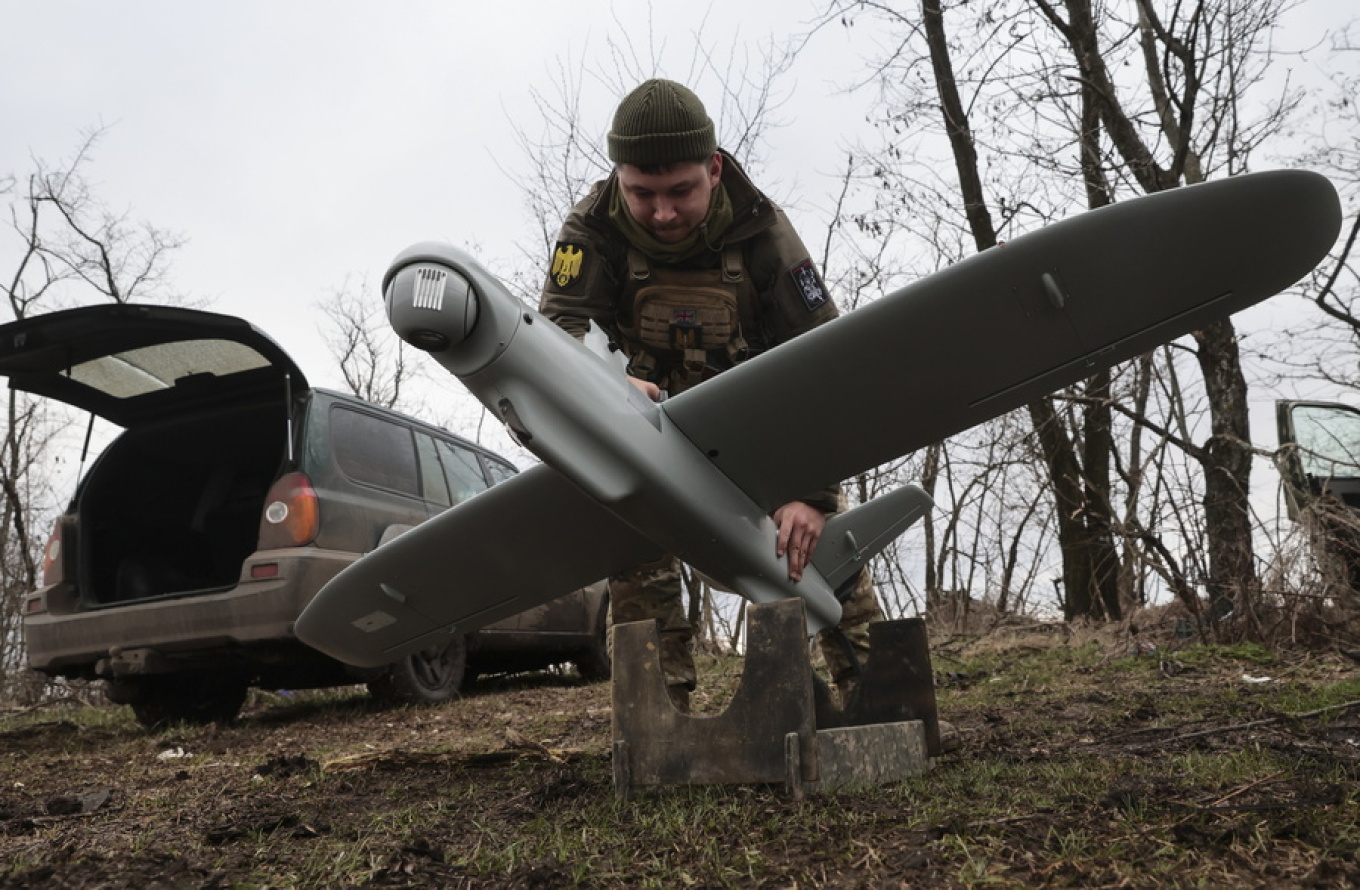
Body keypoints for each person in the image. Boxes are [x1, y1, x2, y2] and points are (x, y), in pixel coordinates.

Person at [539, 78, 883, 711]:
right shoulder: (591, 230)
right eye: (641, 194)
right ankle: (658, 726)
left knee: (821, 554)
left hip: (756, 431)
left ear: (714, 169)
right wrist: (603, 384)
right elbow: (554, 334)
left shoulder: (762, 232)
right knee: (635, 563)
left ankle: (881, 701)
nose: (663, 213)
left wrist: (812, 495)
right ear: (618, 176)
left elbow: (830, 363)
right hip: (645, 433)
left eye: (681, 192)